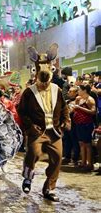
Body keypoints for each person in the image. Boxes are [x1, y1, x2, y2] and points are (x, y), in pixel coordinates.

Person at [17, 44, 70, 202]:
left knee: (57, 157)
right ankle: (27, 177)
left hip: (54, 131)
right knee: (33, 153)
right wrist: (29, 126)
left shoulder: (57, 90)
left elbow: (64, 108)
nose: (45, 84)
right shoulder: (29, 92)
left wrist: (65, 121)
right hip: (38, 131)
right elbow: (22, 111)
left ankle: (49, 188)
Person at [72, 84, 96, 170]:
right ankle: (83, 162)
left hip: (86, 124)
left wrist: (80, 108)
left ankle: (89, 164)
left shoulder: (90, 99)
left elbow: (93, 111)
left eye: (79, 90)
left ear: (84, 90)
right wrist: (75, 105)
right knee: (81, 143)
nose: (78, 91)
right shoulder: (79, 99)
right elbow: (75, 109)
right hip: (79, 123)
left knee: (87, 144)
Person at [62, 86, 80, 165]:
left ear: (76, 93)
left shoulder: (77, 101)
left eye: (71, 91)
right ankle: (67, 157)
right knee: (67, 140)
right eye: (68, 91)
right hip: (67, 123)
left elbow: (69, 111)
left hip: (74, 124)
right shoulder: (67, 101)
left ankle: (75, 158)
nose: (68, 93)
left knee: (74, 140)